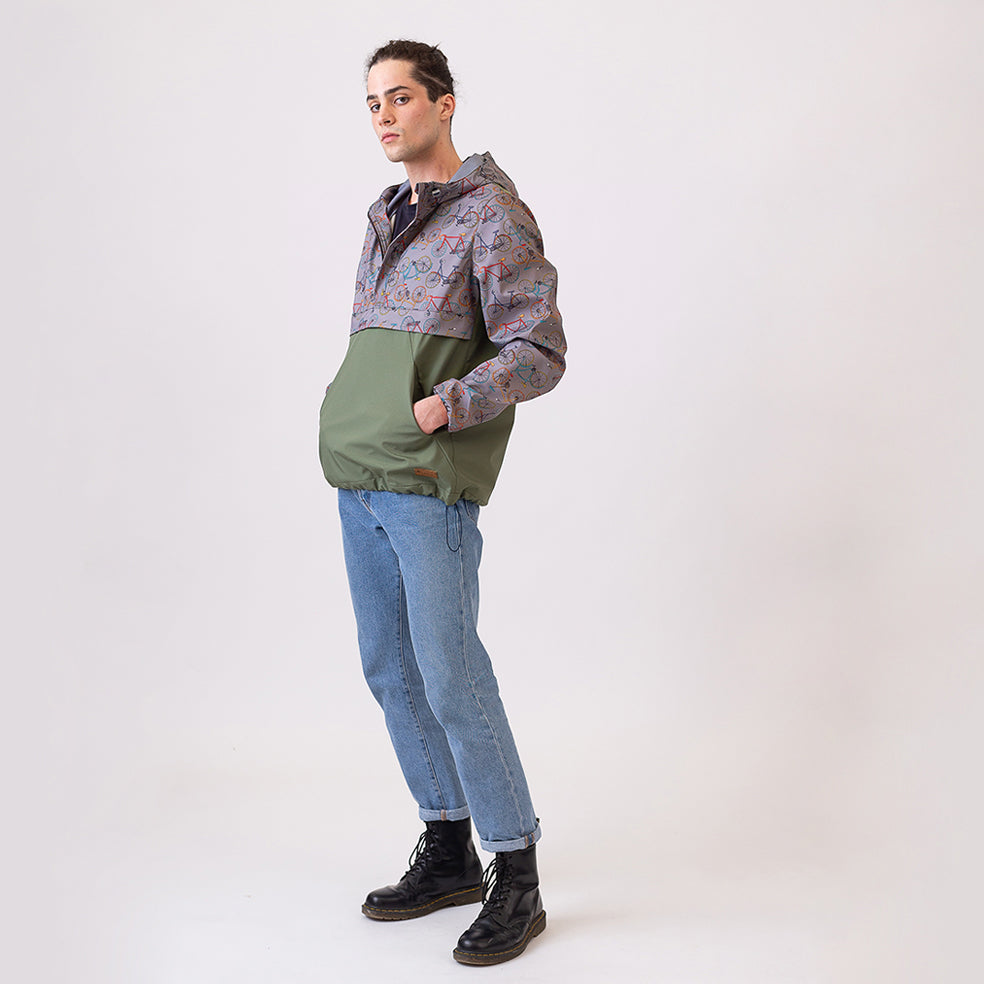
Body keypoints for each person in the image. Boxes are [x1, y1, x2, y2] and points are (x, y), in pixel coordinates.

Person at [318, 39, 566, 966]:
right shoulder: (384, 215)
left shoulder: (490, 214)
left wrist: (447, 405)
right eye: (372, 103)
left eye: (400, 98)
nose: (384, 116)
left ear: (444, 104)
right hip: (360, 477)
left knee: (452, 673)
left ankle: (518, 872)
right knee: (391, 667)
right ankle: (450, 847)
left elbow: (539, 349)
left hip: (428, 483)